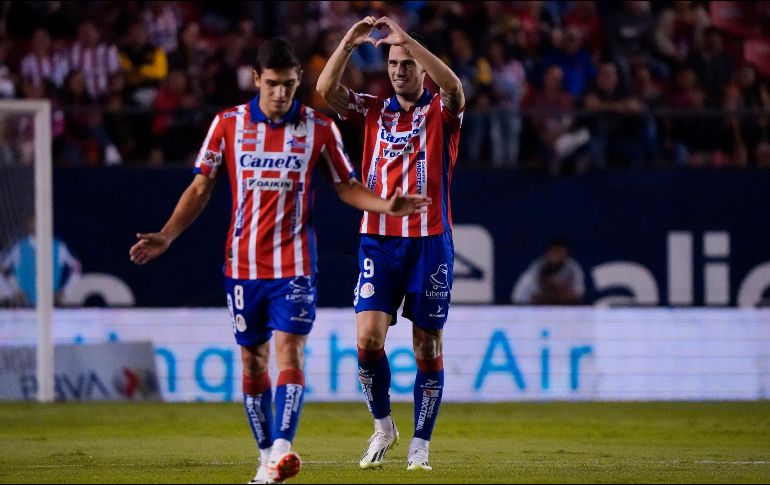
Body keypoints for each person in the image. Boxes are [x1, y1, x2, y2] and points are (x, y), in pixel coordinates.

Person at [129, 38, 430, 484]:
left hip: (295, 267)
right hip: (242, 267)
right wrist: (168, 234)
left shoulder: (317, 129)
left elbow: (346, 186)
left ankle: (282, 451)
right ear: (256, 80)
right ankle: (267, 454)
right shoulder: (227, 125)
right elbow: (200, 188)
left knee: (290, 353)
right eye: (272, 84)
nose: (280, 94)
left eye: (289, 85)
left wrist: (387, 206)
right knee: (252, 364)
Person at [317, 16, 465, 472]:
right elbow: (326, 91)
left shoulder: (442, 112)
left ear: (420, 67)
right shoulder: (374, 109)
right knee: (367, 339)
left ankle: (420, 445)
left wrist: (407, 40)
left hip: (430, 244)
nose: (399, 70)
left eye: (406, 63)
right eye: (394, 63)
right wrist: (347, 42)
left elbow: (456, 87)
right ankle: (383, 426)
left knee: (427, 347)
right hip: (379, 240)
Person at [1, 216, 82, 307]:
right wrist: (12, 292)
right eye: (35, 222)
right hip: (23, 307)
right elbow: (2, 269)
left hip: (50, 306)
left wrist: (65, 292)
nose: (39, 225)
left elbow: (76, 268)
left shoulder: (59, 247)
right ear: (29, 225)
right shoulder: (18, 247)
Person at [512, 238, 585, 305]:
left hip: (557, 307)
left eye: (561, 252)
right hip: (523, 305)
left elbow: (578, 297)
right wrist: (559, 293)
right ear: (547, 253)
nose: (558, 256)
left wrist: (556, 287)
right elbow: (535, 297)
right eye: (555, 252)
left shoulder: (573, 267)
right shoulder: (537, 267)